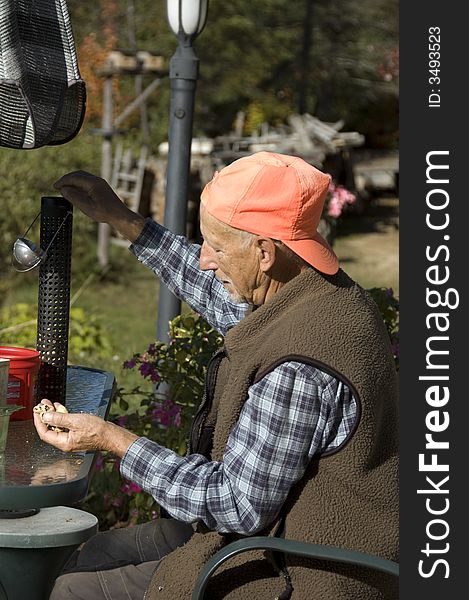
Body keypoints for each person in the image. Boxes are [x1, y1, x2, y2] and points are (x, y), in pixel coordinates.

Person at [34, 151, 398, 600]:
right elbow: (220, 295)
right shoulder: (310, 289)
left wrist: (113, 441)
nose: (206, 260)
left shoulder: (301, 366)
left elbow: (236, 505)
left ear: (264, 251)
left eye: (217, 247)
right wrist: (123, 220)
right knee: (96, 550)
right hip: (274, 532)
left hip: (301, 569)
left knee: (73, 591)